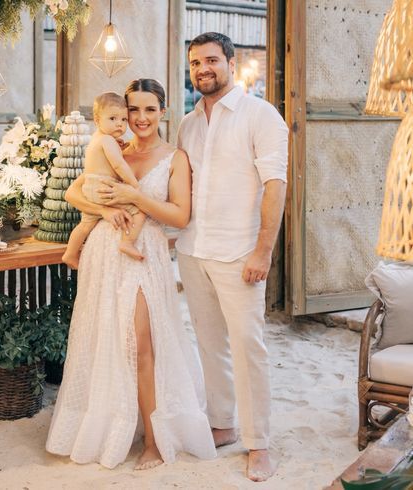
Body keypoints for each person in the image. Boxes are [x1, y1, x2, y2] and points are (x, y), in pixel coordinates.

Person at [46, 79, 217, 470]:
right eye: (133, 110)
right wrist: (106, 211)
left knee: (143, 344)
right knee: (108, 339)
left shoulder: (175, 158)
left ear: (163, 112)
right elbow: (74, 194)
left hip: (143, 253)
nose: (140, 118)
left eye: (149, 109)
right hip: (104, 251)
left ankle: (155, 443)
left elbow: (179, 215)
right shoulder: (112, 148)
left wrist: (135, 197)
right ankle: (117, 423)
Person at [176, 32, 288, 482]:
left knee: (248, 347)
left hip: (240, 252)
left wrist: (263, 250)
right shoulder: (186, 123)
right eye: (195, 63)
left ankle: (258, 442)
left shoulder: (261, 116)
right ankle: (222, 424)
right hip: (192, 248)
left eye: (210, 60)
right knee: (210, 345)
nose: (203, 69)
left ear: (230, 61)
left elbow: (275, 186)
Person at [61, 92, 146, 269]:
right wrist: (134, 185)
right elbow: (118, 165)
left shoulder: (97, 138)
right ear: (97, 120)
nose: (119, 124)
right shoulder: (108, 140)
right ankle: (127, 242)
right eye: (113, 118)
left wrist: (117, 146)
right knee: (139, 211)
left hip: (90, 187)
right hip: (104, 187)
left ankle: (70, 254)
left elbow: (103, 159)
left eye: (123, 119)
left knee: (85, 225)